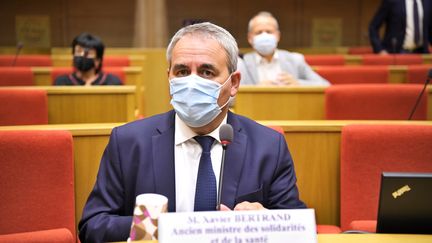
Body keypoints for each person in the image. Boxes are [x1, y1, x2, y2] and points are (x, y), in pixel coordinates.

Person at [78, 22, 306, 243]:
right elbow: (92, 226)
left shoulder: (268, 145)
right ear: (169, 77)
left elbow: (299, 231)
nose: (191, 82)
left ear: (234, 83)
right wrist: (159, 228)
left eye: (207, 72)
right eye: (182, 71)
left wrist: (264, 223)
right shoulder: (128, 142)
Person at [239, 11, 329, 86]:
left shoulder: (295, 60)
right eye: (259, 32)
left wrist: (298, 83)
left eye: (269, 31)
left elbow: (325, 85)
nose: (264, 35)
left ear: (278, 36)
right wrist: (255, 89)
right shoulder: (241, 63)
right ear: (250, 38)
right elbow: (231, 95)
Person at [54, 33, 122, 85]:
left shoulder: (112, 82)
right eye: (78, 52)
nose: (82, 56)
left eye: (88, 53)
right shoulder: (61, 82)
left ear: (97, 60)